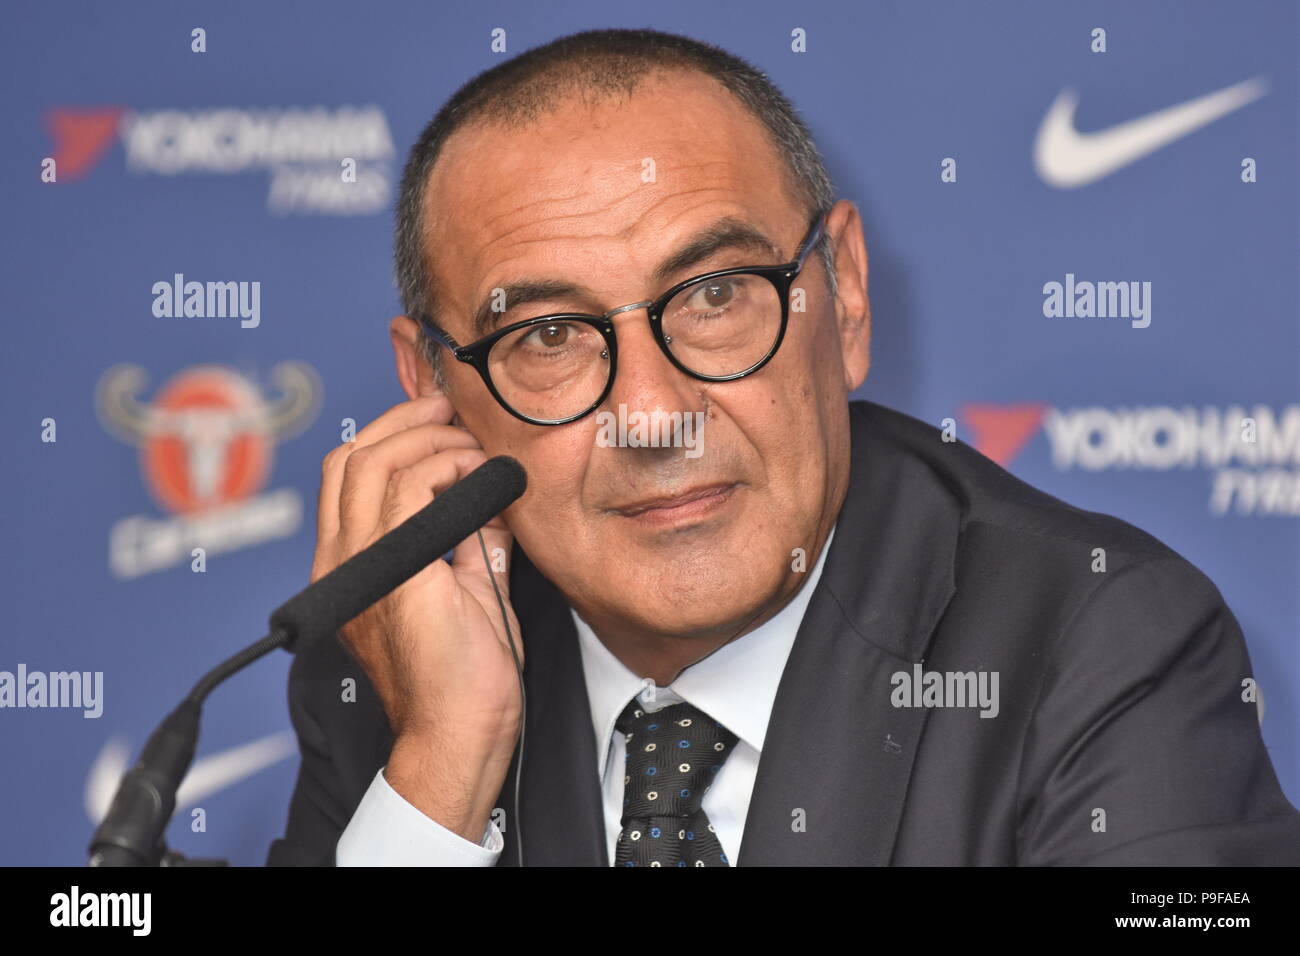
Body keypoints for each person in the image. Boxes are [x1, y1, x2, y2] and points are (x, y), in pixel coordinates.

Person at [267, 28, 1300, 866]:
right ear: (432, 386)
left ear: (844, 293)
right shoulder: (399, 657)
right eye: (549, 336)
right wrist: (442, 767)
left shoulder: (1102, 644)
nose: (653, 414)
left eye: (714, 296)